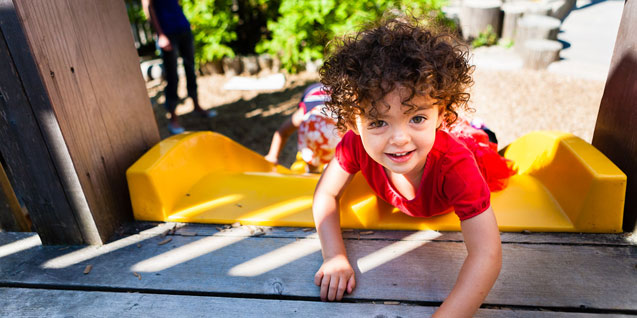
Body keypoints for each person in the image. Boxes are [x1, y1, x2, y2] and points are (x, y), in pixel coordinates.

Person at [312, 15, 513, 317]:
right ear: (354, 121)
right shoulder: (356, 144)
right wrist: (334, 256)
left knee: (482, 139)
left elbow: (487, 254)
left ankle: (474, 128)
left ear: (440, 113)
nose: (399, 139)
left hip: (473, 151)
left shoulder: (457, 166)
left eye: (417, 117)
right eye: (378, 122)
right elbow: (325, 195)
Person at [142, 0, 216, 135]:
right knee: (172, 76)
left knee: (190, 68)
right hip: (167, 32)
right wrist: (161, 35)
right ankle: (173, 118)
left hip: (183, 27)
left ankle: (197, 106)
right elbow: (148, 8)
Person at [265, 83, 341, 173]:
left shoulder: (346, 120)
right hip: (313, 93)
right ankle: (313, 170)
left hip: (335, 94)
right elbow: (282, 132)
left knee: (335, 165)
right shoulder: (301, 115)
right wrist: (272, 156)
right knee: (312, 156)